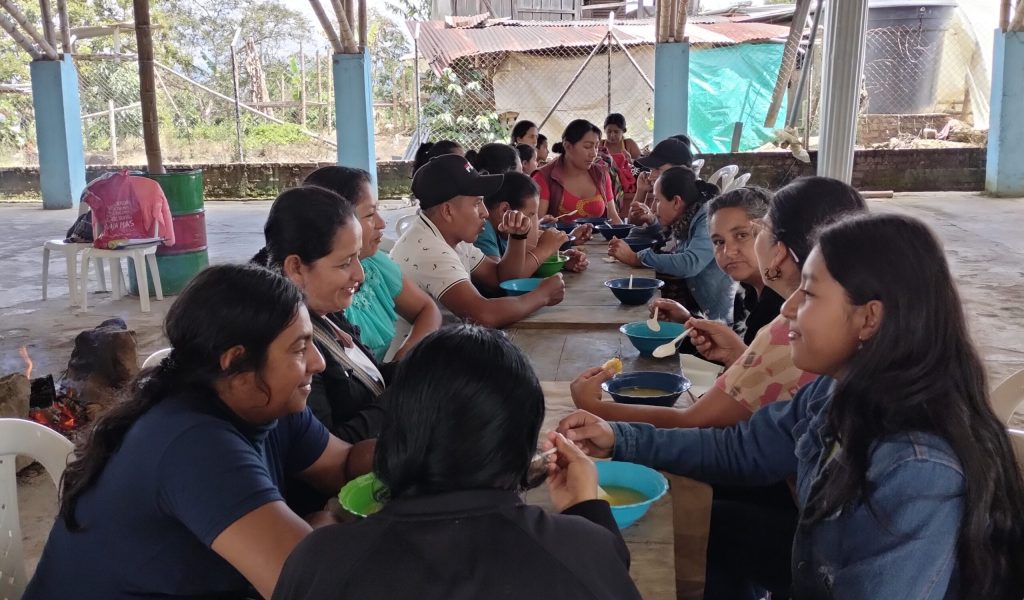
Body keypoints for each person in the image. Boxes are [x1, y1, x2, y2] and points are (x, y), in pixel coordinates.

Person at [561, 212, 1024, 600]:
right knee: (698, 522)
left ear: (869, 318)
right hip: (812, 565)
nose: (787, 308)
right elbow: (741, 449)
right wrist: (618, 437)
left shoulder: (916, 469)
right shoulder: (836, 390)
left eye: (810, 293)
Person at [24, 264, 373, 600]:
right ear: (236, 362)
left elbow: (343, 466)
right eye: (299, 348)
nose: (318, 362)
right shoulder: (192, 442)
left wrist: (404, 449)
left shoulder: (269, 403)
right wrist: (327, 523)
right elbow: (306, 584)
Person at [272, 326, 642, 600]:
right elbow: (605, 575)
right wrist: (588, 511)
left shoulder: (319, 562)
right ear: (523, 444)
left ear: (397, 431)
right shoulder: (583, 548)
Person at [390, 154, 565, 328]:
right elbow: (483, 315)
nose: (485, 213)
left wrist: (517, 237)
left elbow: (500, 279)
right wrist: (543, 295)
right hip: (428, 345)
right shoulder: (429, 250)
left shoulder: (451, 236)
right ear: (448, 211)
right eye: (477, 203)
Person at [303, 166, 442, 361]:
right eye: (370, 215)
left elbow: (426, 309)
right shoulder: (316, 293)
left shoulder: (372, 262)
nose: (382, 223)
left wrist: (403, 359)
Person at [651, 186, 782, 347]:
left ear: (773, 235)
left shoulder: (781, 307)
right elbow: (738, 350)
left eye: (741, 235)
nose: (728, 251)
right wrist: (688, 321)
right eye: (719, 242)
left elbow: (749, 361)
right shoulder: (748, 291)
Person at [608, 166, 734, 321]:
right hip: (695, 306)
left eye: (657, 200)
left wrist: (636, 258)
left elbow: (690, 263)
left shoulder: (707, 219)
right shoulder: (688, 214)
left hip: (717, 318)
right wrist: (653, 224)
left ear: (676, 202)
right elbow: (671, 243)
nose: (653, 207)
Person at [475, 171, 589, 275]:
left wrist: (561, 259)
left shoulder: (503, 232)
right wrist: (544, 250)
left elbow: (517, 266)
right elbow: (504, 279)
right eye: (530, 215)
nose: (533, 223)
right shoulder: (483, 229)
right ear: (505, 210)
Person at [533, 119, 623, 225]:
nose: (594, 154)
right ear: (568, 147)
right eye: (587, 147)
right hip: (558, 236)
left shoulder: (601, 174)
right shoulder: (543, 177)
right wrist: (544, 224)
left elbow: (613, 217)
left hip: (598, 236)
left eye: (596, 147)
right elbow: (536, 224)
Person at [627, 136, 694, 227]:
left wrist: (652, 221)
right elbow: (633, 225)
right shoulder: (662, 193)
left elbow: (668, 233)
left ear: (681, 169)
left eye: (657, 169)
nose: (650, 177)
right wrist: (641, 191)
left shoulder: (694, 205)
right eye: (651, 169)